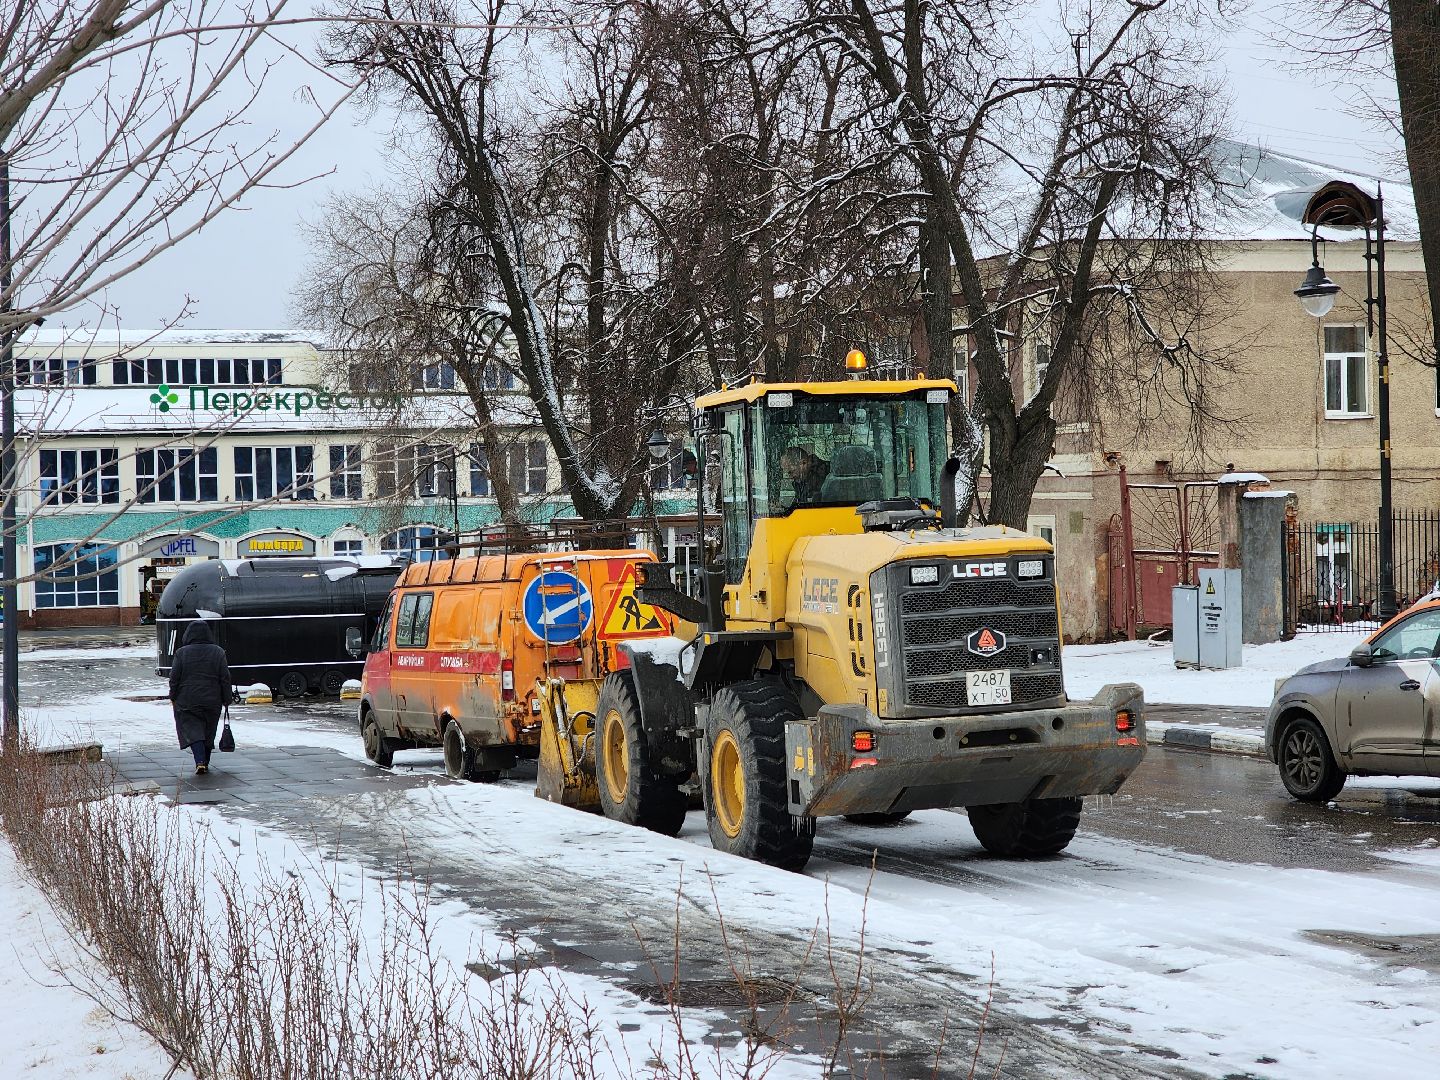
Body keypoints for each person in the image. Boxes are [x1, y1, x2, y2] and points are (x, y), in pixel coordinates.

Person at [169, 621, 232, 775]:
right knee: (209, 731)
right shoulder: (218, 652)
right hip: (212, 699)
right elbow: (225, 677)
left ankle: (200, 761)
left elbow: (174, 678)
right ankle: (205, 761)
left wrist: (173, 695)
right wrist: (227, 698)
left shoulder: (181, 653)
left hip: (187, 700)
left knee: (193, 730)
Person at [780, 443, 830, 508]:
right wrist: (782, 510)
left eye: (791, 472)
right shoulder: (802, 482)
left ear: (803, 463)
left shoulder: (824, 478)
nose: (790, 477)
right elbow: (798, 509)